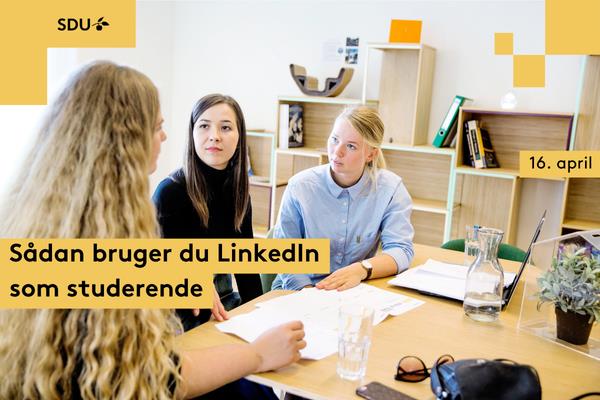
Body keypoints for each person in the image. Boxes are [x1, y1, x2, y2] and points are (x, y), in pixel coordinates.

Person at [0, 61, 305, 399]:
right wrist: (256, 355)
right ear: (124, 139)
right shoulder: (146, 208)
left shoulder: (51, 220)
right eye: (157, 126)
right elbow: (155, 375)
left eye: (225, 128)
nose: (164, 137)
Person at [272, 106, 414, 291]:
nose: (337, 152)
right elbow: (284, 254)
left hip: (353, 288)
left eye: (351, 146)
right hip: (299, 288)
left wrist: (362, 269)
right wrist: (309, 295)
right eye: (335, 139)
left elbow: (401, 250)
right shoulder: (300, 187)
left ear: (371, 154)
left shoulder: (390, 190)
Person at [153, 94, 262, 331]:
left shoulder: (238, 193)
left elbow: (246, 269)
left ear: (239, 137)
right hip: (175, 312)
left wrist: (259, 315)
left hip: (222, 303)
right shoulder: (170, 192)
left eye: (225, 127)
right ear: (192, 134)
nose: (214, 136)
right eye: (204, 126)